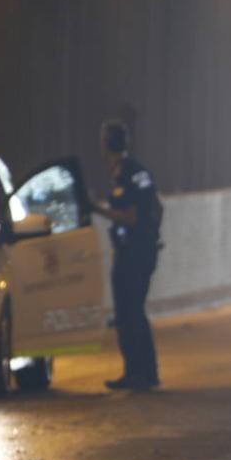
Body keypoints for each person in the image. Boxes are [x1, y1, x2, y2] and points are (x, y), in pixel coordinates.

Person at [94, 120, 163, 391]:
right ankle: (144, 373)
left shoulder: (125, 174)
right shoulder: (136, 171)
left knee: (129, 313)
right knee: (133, 313)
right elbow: (158, 208)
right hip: (139, 251)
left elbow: (130, 216)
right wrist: (152, 237)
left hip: (132, 254)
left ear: (105, 145)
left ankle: (138, 374)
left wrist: (96, 210)